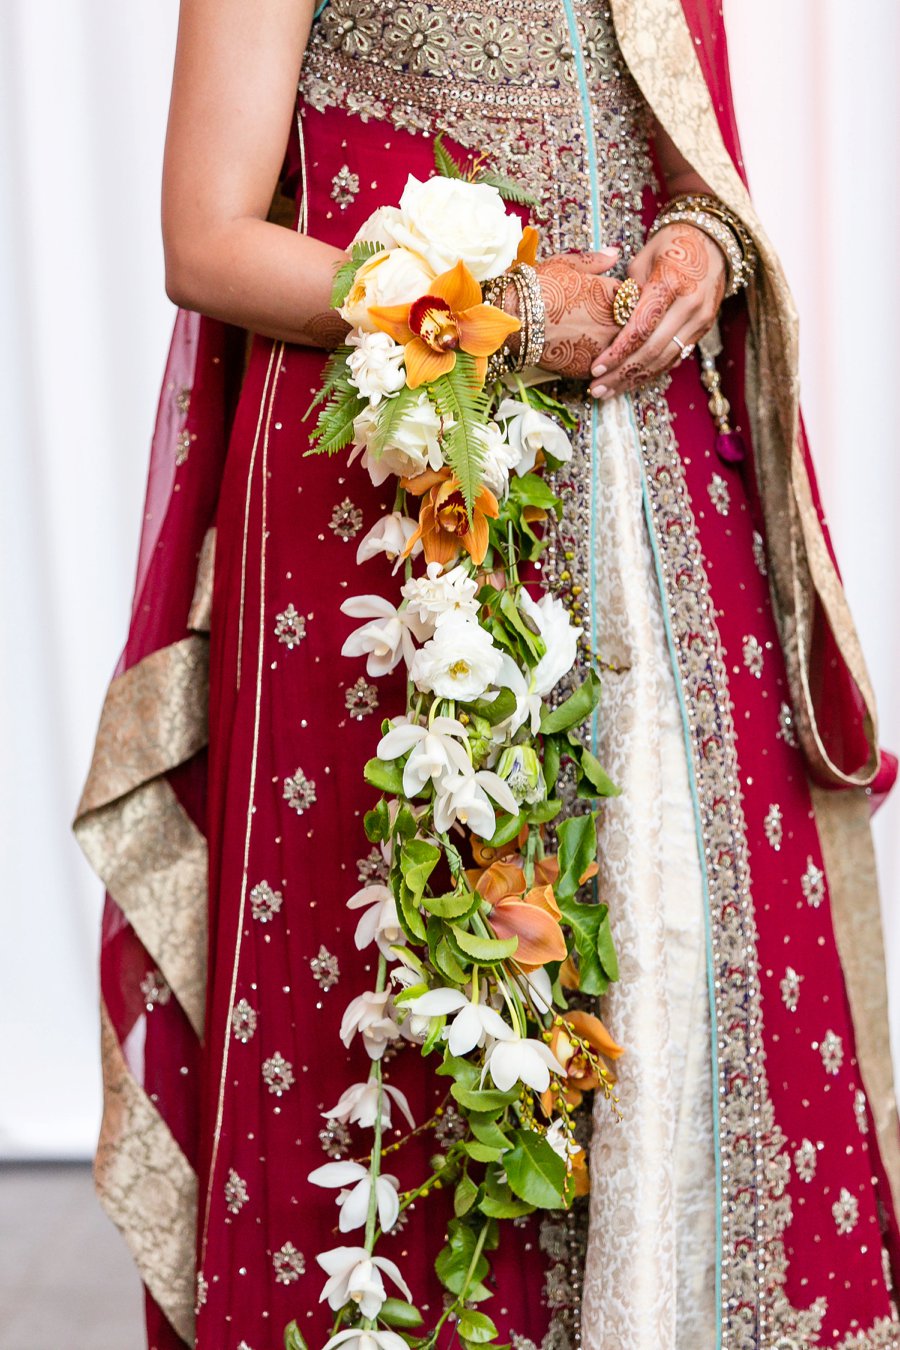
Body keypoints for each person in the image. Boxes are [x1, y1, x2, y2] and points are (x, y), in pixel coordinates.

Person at [75, 0, 900, 1346]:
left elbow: (687, 152)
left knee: (680, 964)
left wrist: (701, 241)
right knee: (429, 1038)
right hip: (406, 525)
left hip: (666, 505)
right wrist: (498, 312)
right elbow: (207, 238)